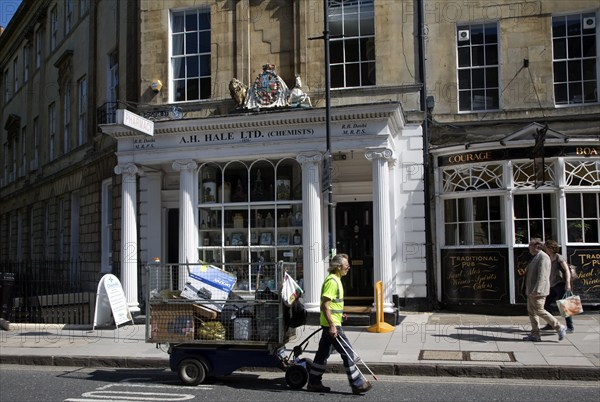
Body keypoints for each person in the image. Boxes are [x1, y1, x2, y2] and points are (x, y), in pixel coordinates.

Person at [307, 253, 372, 394]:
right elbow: (325, 305)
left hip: (332, 323)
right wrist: (332, 325)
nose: (348, 267)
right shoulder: (332, 281)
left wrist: (340, 313)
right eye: (346, 265)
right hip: (333, 326)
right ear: (338, 267)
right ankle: (357, 383)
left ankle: (313, 382)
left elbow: (332, 305)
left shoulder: (337, 280)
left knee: (322, 354)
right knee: (347, 352)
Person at [523, 239, 566, 342]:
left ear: (536, 246)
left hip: (538, 291)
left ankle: (559, 327)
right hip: (531, 290)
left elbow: (543, 276)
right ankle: (535, 334)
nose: (529, 247)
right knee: (532, 312)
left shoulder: (543, 257)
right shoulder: (535, 257)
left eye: (530, 245)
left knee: (540, 310)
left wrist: (538, 290)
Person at [542, 240, 574, 333]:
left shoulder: (558, 257)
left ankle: (570, 327)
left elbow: (567, 270)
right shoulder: (547, 257)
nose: (545, 249)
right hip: (551, 285)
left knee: (564, 306)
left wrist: (567, 283)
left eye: (546, 247)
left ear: (551, 248)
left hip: (560, 284)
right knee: (545, 304)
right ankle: (551, 324)